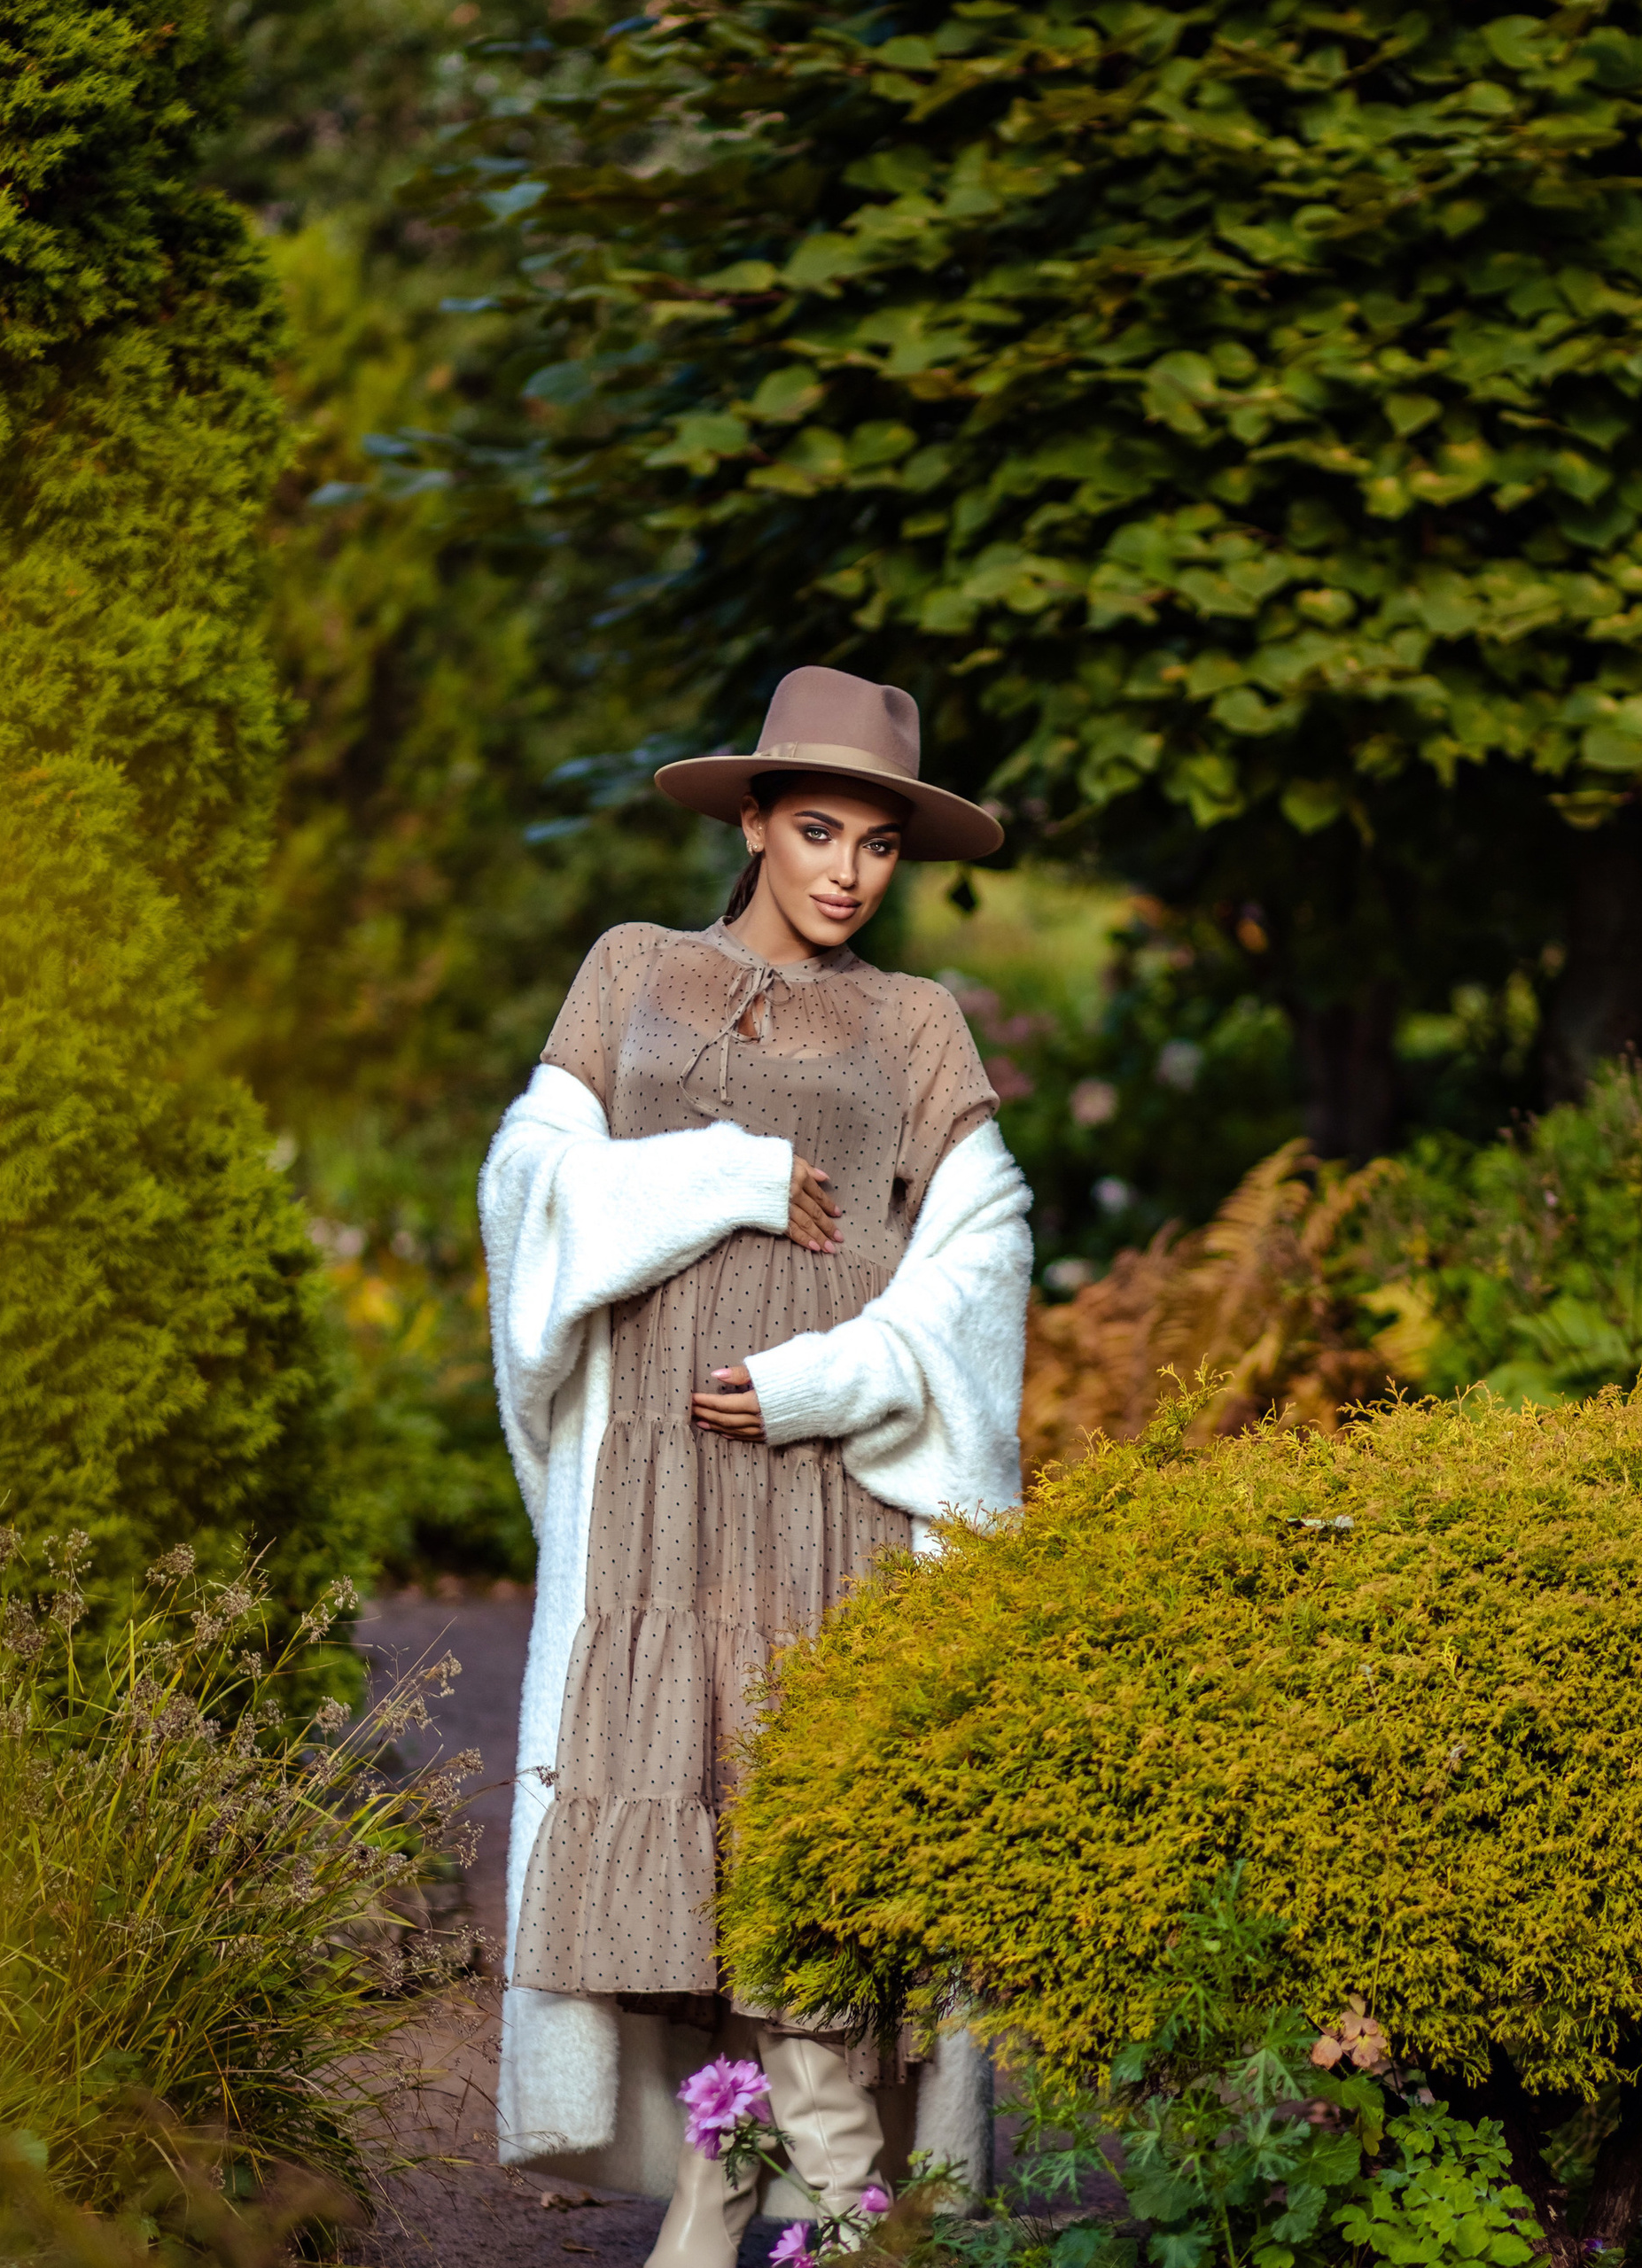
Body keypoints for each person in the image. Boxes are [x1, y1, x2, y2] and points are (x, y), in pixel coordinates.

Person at [479, 666, 1033, 2267]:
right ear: (749, 821)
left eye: (876, 843)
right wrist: (725, 1174)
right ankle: (735, 2192)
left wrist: (827, 1380)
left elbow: (984, 1248)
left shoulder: (916, 1021)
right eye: (816, 831)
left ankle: (837, 2219)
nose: (849, 871)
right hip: (656, 1490)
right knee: (695, 1813)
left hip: (826, 1491)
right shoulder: (634, 974)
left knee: (805, 1824)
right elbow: (531, 1175)